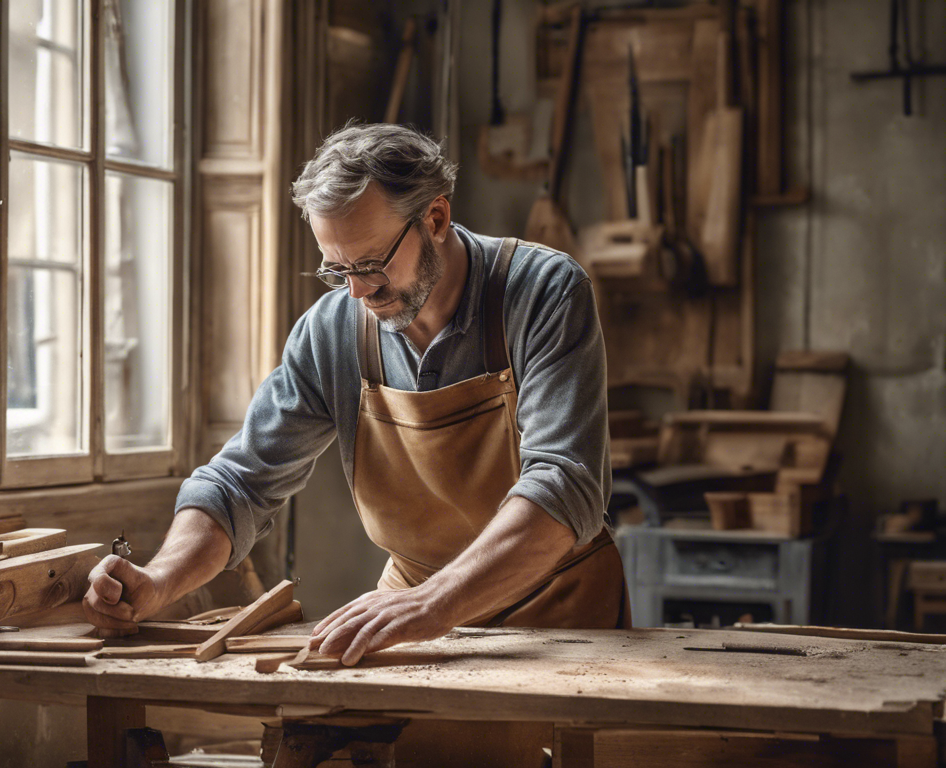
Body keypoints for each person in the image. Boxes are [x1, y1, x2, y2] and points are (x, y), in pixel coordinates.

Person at [84, 123, 629, 666]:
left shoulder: (543, 293)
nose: (358, 291)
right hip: (412, 610)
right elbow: (238, 483)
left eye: (370, 264)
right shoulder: (333, 330)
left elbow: (564, 486)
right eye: (335, 269)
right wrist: (158, 579)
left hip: (558, 608)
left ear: (435, 219)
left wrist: (435, 604)